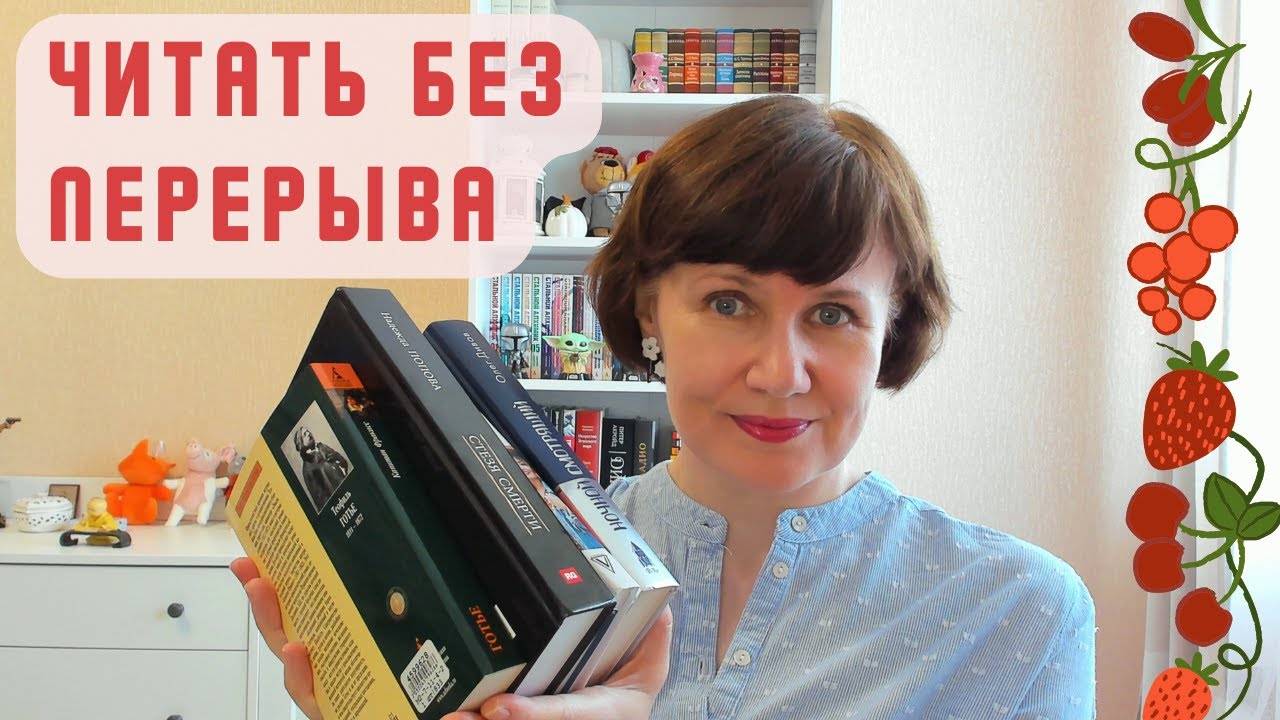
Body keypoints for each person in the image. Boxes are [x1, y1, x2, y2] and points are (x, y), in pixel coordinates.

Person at [231, 94, 1096, 719]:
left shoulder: (1016, 611)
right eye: (728, 302)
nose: (779, 373)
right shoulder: (511, 575)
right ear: (649, 311)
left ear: (891, 329)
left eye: (833, 314)